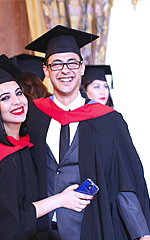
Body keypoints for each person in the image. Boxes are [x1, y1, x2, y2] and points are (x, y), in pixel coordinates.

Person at [25, 25, 150, 240]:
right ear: (46, 70)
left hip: (90, 228)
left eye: (72, 63)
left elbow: (125, 181)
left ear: (82, 67)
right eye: (56, 64)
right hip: (39, 229)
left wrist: (142, 235)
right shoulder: (33, 114)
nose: (65, 70)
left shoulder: (108, 120)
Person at [0, 54, 93, 240]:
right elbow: (11, 221)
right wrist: (61, 200)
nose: (17, 101)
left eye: (19, 93)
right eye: (5, 98)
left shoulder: (23, 145)